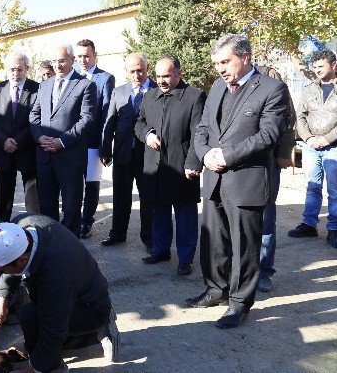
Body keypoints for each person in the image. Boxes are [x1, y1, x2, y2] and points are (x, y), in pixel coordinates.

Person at [188, 34, 291, 329]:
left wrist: (226, 156)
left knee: (245, 246)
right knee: (213, 240)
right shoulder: (218, 87)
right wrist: (205, 154)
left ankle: (239, 303)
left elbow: (268, 135)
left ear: (244, 57)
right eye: (217, 63)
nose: (220, 68)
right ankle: (215, 290)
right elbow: (203, 128)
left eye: (225, 61)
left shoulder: (272, 89)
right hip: (214, 178)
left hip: (246, 180)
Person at [0, 215, 117, 373]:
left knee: (33, 319)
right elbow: (9, 266)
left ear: (22, 260)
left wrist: (33, 369)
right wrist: (1, 302)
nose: (0, 273)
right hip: (73, 290)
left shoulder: (56, 277)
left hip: (90, 307)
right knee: (36, 329)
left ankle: (57, 367)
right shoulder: (19, 228)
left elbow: (53, 332)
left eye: (0, 269)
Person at [134, 55, 206, 275]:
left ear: (178, 73)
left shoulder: (194, 96)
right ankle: (161, 249)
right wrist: (147, 135)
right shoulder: (150, 96)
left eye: (166, 75)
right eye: (158, 76)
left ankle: (186, 259)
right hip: (155, 166)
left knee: (185, 215)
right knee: (159, 211)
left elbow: (198, 133)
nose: (161, 80)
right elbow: (139, 123)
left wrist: (193, 163)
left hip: (181, 166)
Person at [29, 44, 96, 236]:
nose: (58, 65)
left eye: (62, 60)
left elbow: (88, 119)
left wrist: (62, 141)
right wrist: (39, 137)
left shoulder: (85, 85)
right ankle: (50, 243)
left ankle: (70, 250)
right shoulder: (44, 85)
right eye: (54, 61)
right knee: (47, 206)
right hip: (45, 156)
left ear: (72, 60)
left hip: (70, 157)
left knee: (71, 207)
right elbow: (34, 115)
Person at [100, 53, 156, 251]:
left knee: (148, 198)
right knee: (120, 196)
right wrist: (105, 148)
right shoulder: (119, 92)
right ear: (127, 71)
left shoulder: (157, 91)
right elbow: (110, 121)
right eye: (132, 71)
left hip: (148, 155)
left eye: (140, 70)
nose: (136, 74)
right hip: (123, 152)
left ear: (147, 69)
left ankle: (149, 238)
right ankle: (117, 233)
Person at [290, 49, 337, 249]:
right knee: (312, 187)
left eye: (321, 66)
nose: (317, 70)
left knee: (334, 190)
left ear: (334, 65)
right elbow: (299, 116)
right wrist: (308, 138)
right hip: (310, 146)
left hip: (334, 147)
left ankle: (334, 229)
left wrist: (326, 139)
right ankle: (309, 224)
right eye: (315, 67)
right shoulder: (309, 89)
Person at [257, 66, 296, 292]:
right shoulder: (226, 78)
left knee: (265, 217)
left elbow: (288, 119)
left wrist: (283, 153)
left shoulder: (269, 75)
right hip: (237, 161)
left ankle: (264, 271)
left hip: (268, 160)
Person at [0, 51, 40, 221]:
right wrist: (4, 140)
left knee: (33, 196)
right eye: (12, 69)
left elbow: (36, 119)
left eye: (19, 69)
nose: (15, 73)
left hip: (27, 150)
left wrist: (17, 141)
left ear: (27, 68)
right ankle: (2, 227)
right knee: (3, 196)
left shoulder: (37, 89)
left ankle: (35, 227)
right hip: (4, 151)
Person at [75, 39, 115, 239]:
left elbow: (107, 114)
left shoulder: (105, 79)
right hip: (71, 143)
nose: (83, 60)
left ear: (94, 56)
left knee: (91, 185)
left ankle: (86, 223)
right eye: (79, 56)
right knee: (71, 183)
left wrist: (105, 147)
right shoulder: (71, 75)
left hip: (92, 143)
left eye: (87, 56)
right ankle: (71, 219)